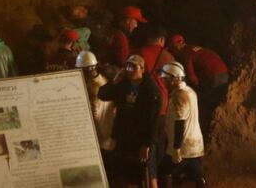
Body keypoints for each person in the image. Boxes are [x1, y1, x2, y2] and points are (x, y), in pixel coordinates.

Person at [98, 54, 163, 188]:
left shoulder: (151, 90)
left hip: (141, 139)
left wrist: (147, 144)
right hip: (124, 136)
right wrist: (115, 80)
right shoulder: (123, 84)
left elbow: (153, 120)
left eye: (133, 67)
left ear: (142, 69)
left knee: (147, 174)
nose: (129, 69)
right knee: (125, 174)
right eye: (127, 66)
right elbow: (102, 94)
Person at [159, 62, 206, 188]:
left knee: (163, 171)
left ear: (173, 79)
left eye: (165, 79)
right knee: (197, 175)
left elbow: (180, 122)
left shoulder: (179, 96)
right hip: (194, 143)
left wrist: (176, 149)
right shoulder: (190, 91)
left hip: (182, 145)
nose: (163, 82)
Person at [168, 34, 229, 133]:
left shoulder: (186, 53)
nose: (174, 53)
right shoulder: (193, 48)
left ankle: (204, 129)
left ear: (177, 47)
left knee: (203, 104)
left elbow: (192, 77)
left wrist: (194, 92)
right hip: (224, 73)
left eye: (173, 50)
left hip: (214, 76)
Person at [76, 51, 116, 151]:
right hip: (106, 136)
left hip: (99, 139)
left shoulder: (94, 86)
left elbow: (94, 115)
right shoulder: (103, 80)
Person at [136, 25, 176, 117]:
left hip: (139, 100)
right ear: (161, 39)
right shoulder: (168, 57)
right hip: (160, 102)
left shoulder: (137, 53)